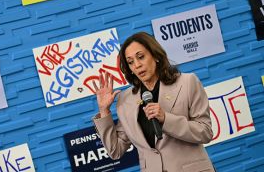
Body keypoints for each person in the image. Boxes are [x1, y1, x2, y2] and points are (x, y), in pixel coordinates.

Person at [92, 32, 215, 172]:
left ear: (155, 56)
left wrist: (165, 119)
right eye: (130, 62)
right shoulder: (125, 100)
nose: (137, 65)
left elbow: (205, 132)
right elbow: (115, 150)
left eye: (141, 57)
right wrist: (104, 110)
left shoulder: (187, 82)